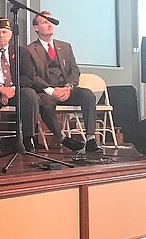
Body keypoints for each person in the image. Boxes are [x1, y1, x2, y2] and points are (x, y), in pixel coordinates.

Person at [19, 11, 99, 153]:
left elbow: (74, 70)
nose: (50, 24)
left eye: (51, 21)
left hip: (66, 89)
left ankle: (91, 138)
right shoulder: (29, 50)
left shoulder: (65, 46)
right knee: (46, 104)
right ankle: (62, 138)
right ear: (36, 28)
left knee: (88, 95)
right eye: (45, 22)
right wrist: (51, 90)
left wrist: (68, 87)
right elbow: (32, 76)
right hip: (46, 91)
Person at [0, 17, 40, 153]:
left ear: (11, 35)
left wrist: (12, 89)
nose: (1, 36)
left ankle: (28, 138)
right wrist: (0, 88)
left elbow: (28, 76)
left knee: (30, 94)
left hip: (15, 90)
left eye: (4, 32)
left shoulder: (21, 52)